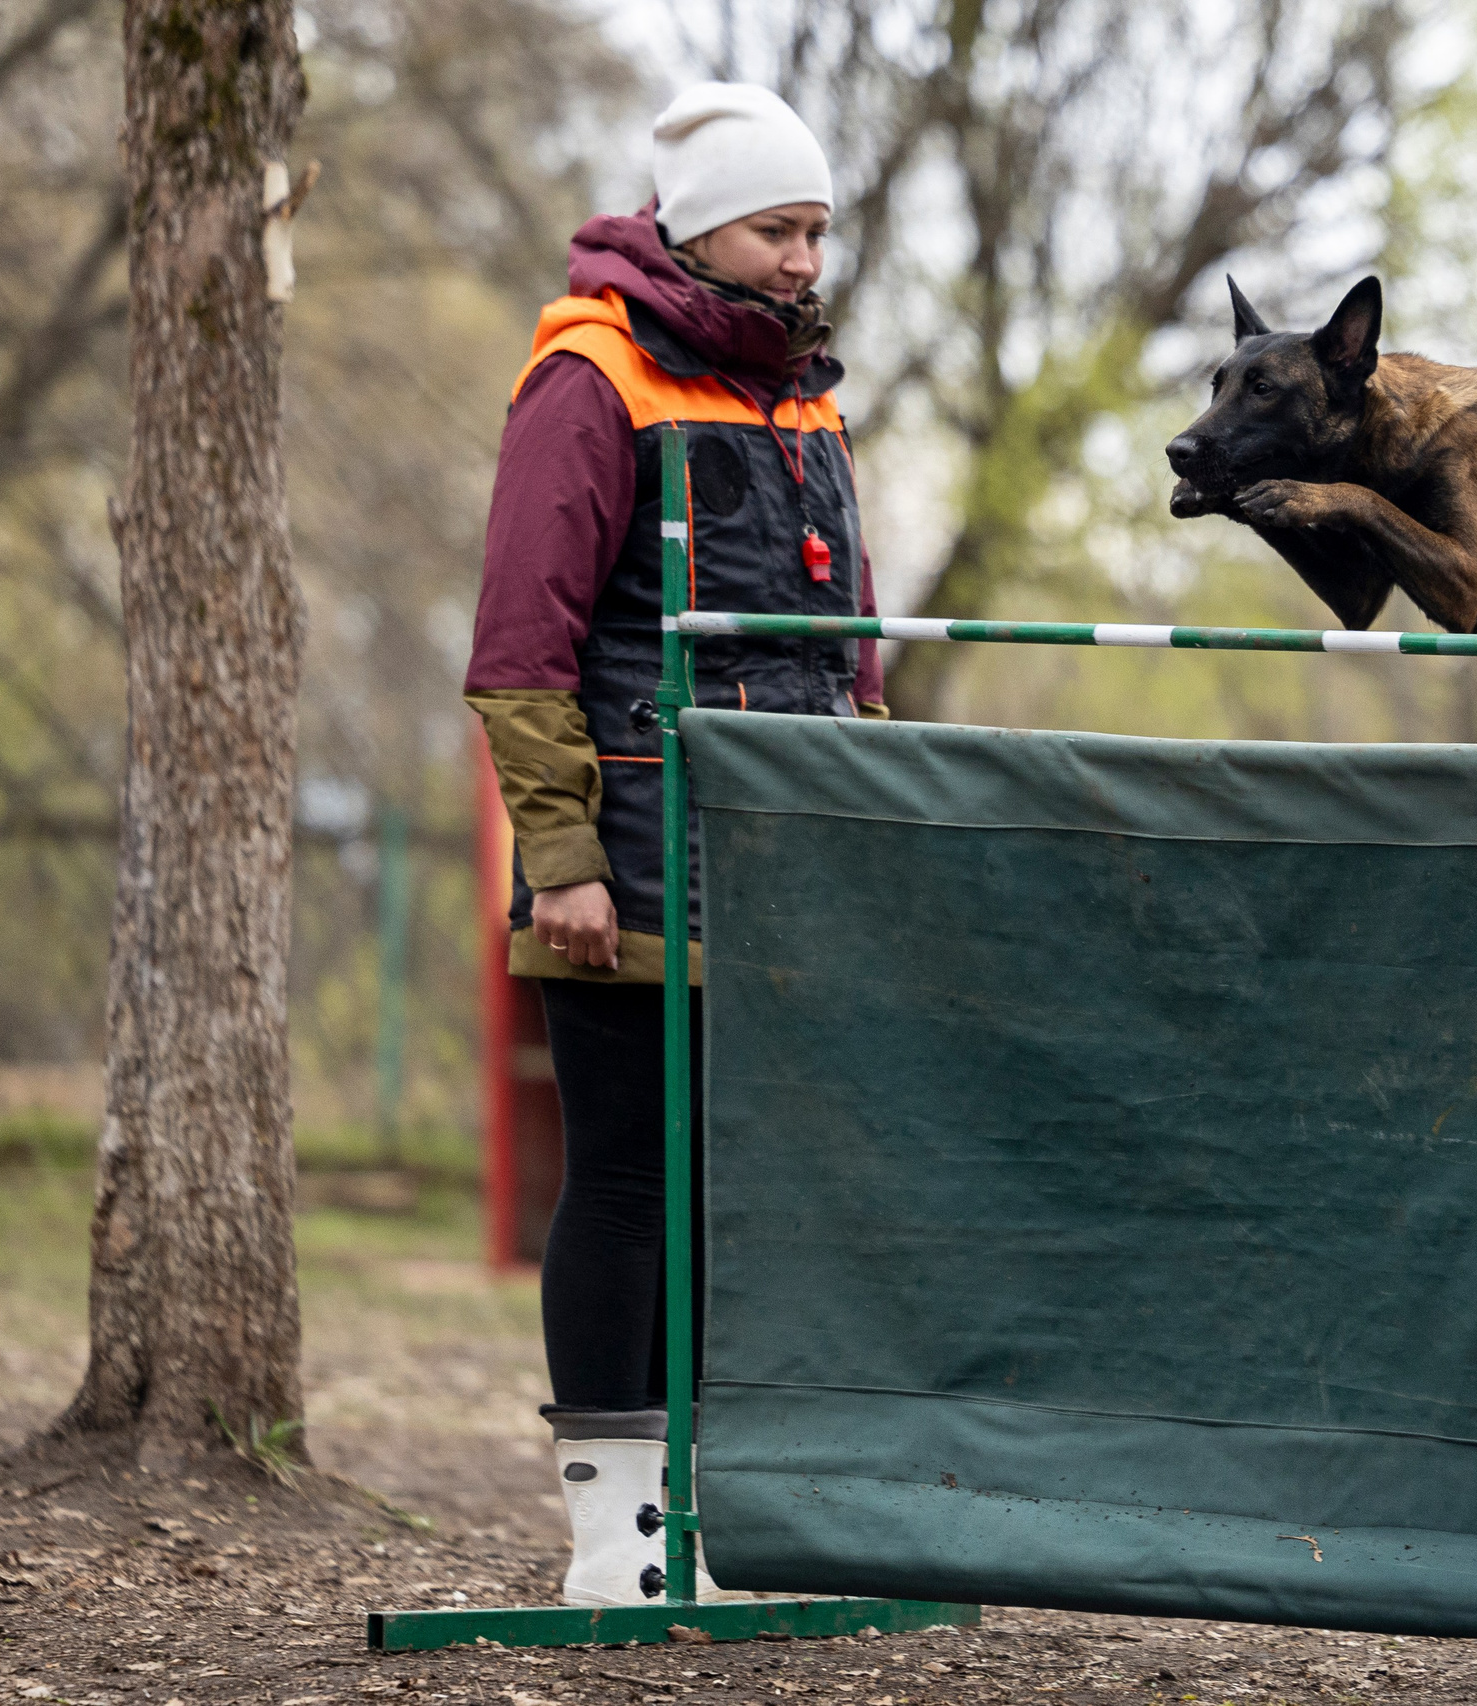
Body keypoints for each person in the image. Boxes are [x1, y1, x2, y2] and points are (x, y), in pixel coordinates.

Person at [463, 81, 882, 1606]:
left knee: (736, 1198)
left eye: (818, 230)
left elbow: (851, 649)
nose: (803, 257)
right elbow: (521, 646)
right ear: (702, 228)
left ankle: (705, 1525)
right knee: (630, 1179)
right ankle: (613, 1543)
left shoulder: (809, 397)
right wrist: (562, 852)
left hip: (784, 869)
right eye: (781, 227)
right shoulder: (590, 380)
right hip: (628, 862)